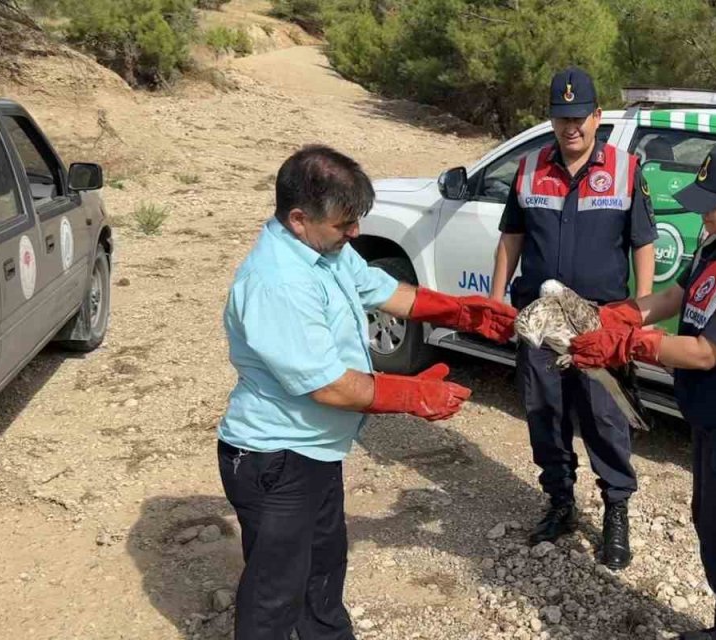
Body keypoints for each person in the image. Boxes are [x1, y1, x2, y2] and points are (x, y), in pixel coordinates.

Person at [218, 144, 516, 640]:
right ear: (298, 218)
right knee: (276, 592)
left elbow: (381, 289)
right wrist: (411, 396)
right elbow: (331, 387)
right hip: (275, 456)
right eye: (344, 224)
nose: (354, 233)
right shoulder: (278, 282)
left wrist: (461, 312)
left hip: (314, 451)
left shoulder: (324, 250)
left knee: (325, 565)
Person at [568, 140, 716, 640]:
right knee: (710, 524)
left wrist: (629, 344)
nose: (703, 214)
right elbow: (680, 293)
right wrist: (623, 313)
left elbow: (706, 352)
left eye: (713, 203)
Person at [489, 66, 657, 569]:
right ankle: (560, 500)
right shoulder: (529, 168)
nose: (572, 128)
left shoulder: (626, 169)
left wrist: (639, 315)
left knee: (605, 417)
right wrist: (498, 299)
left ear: (597, 117)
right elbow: (511, 239)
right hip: (541, 320)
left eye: (580, 117)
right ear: (552, 119)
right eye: (563, 119)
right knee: (545, 412)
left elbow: (642, 243)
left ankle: (616, 510)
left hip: (599, 322)